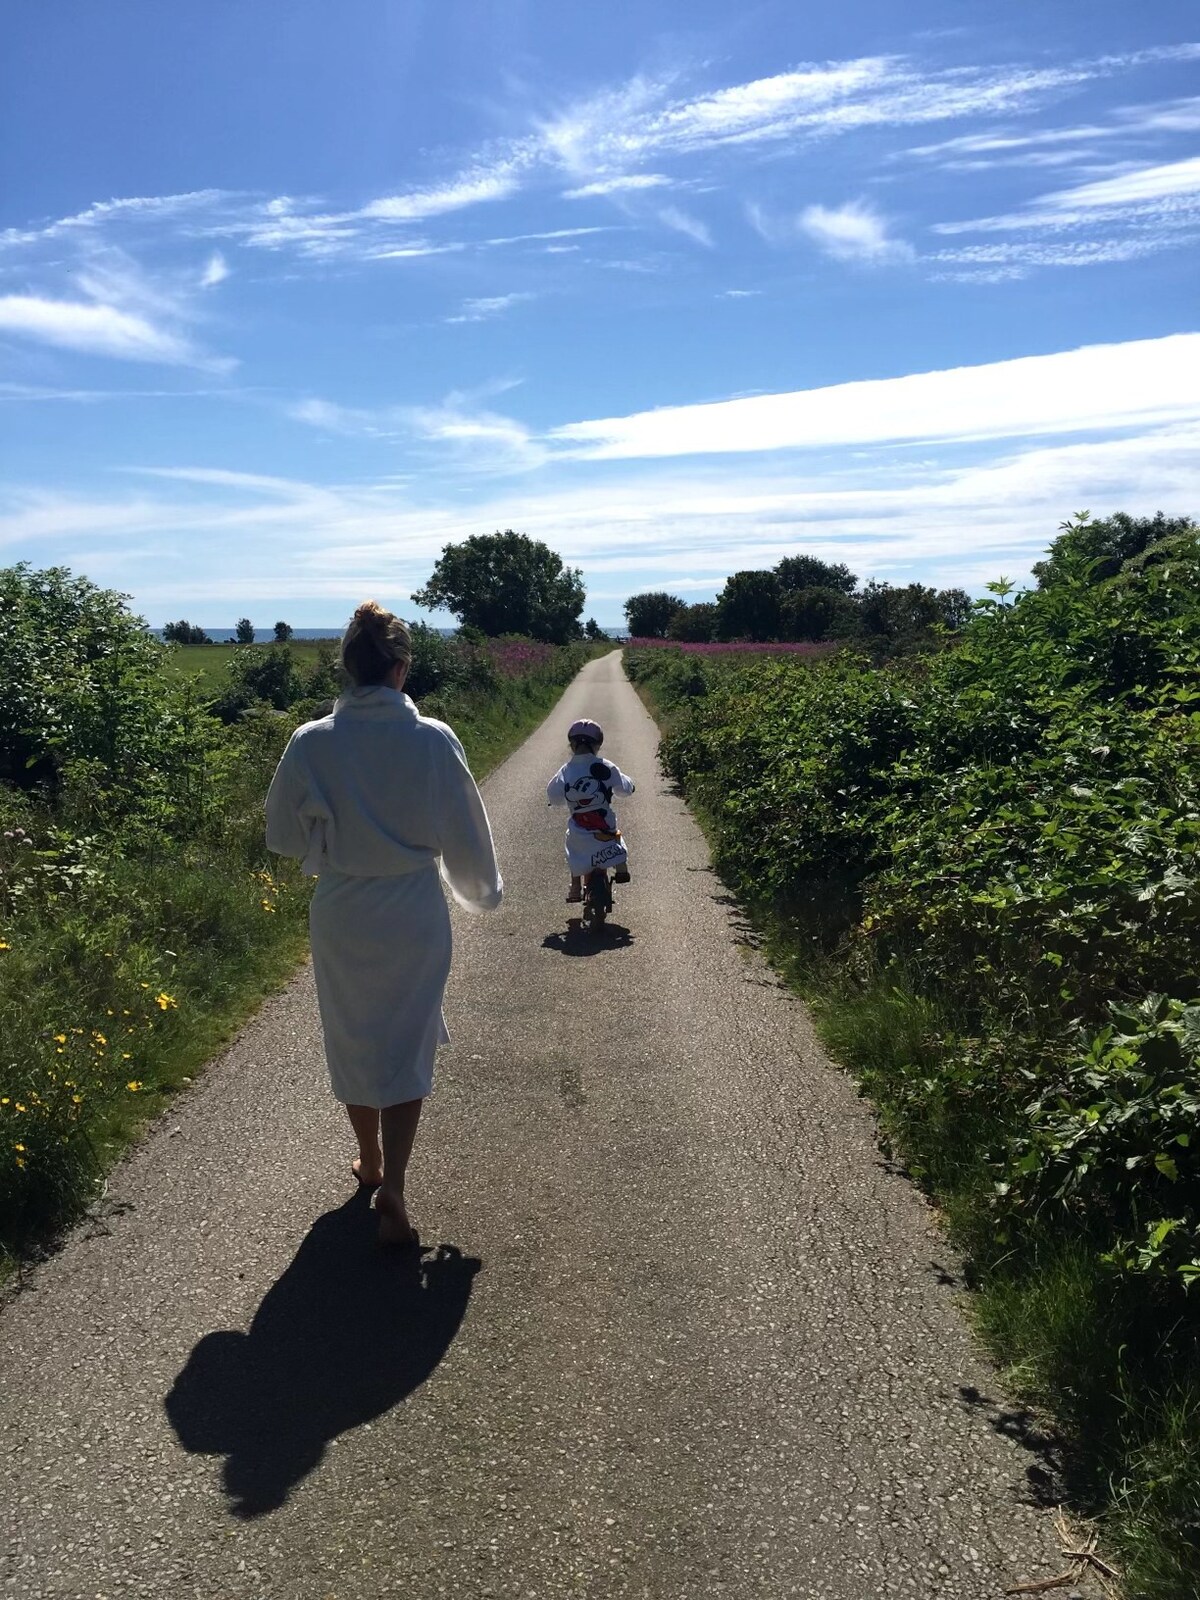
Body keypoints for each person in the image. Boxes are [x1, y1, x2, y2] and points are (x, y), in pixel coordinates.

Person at [266, 601, 503, 1245]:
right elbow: (466, 831)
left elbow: (282, 835)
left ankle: (367, 1161)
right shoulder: (433, 739)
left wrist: (330, 837)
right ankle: (394, 1182)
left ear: (347, 668)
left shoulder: (312, 742)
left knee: (352, 1034)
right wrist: (482, 892)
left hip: (343, 912)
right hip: (413, 911)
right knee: (407, 1038)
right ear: (401, 669)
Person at [546, 718, 635, 903]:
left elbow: (554, 796)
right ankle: (621, 868)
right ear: (597, 745)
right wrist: (630, 785)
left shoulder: (566, 770)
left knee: (573, 847)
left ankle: (575, 886)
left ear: (572, 744)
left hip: (580, 830)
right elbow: (623, 789)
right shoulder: (606, 766)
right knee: (615, 836)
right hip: (605, 827)